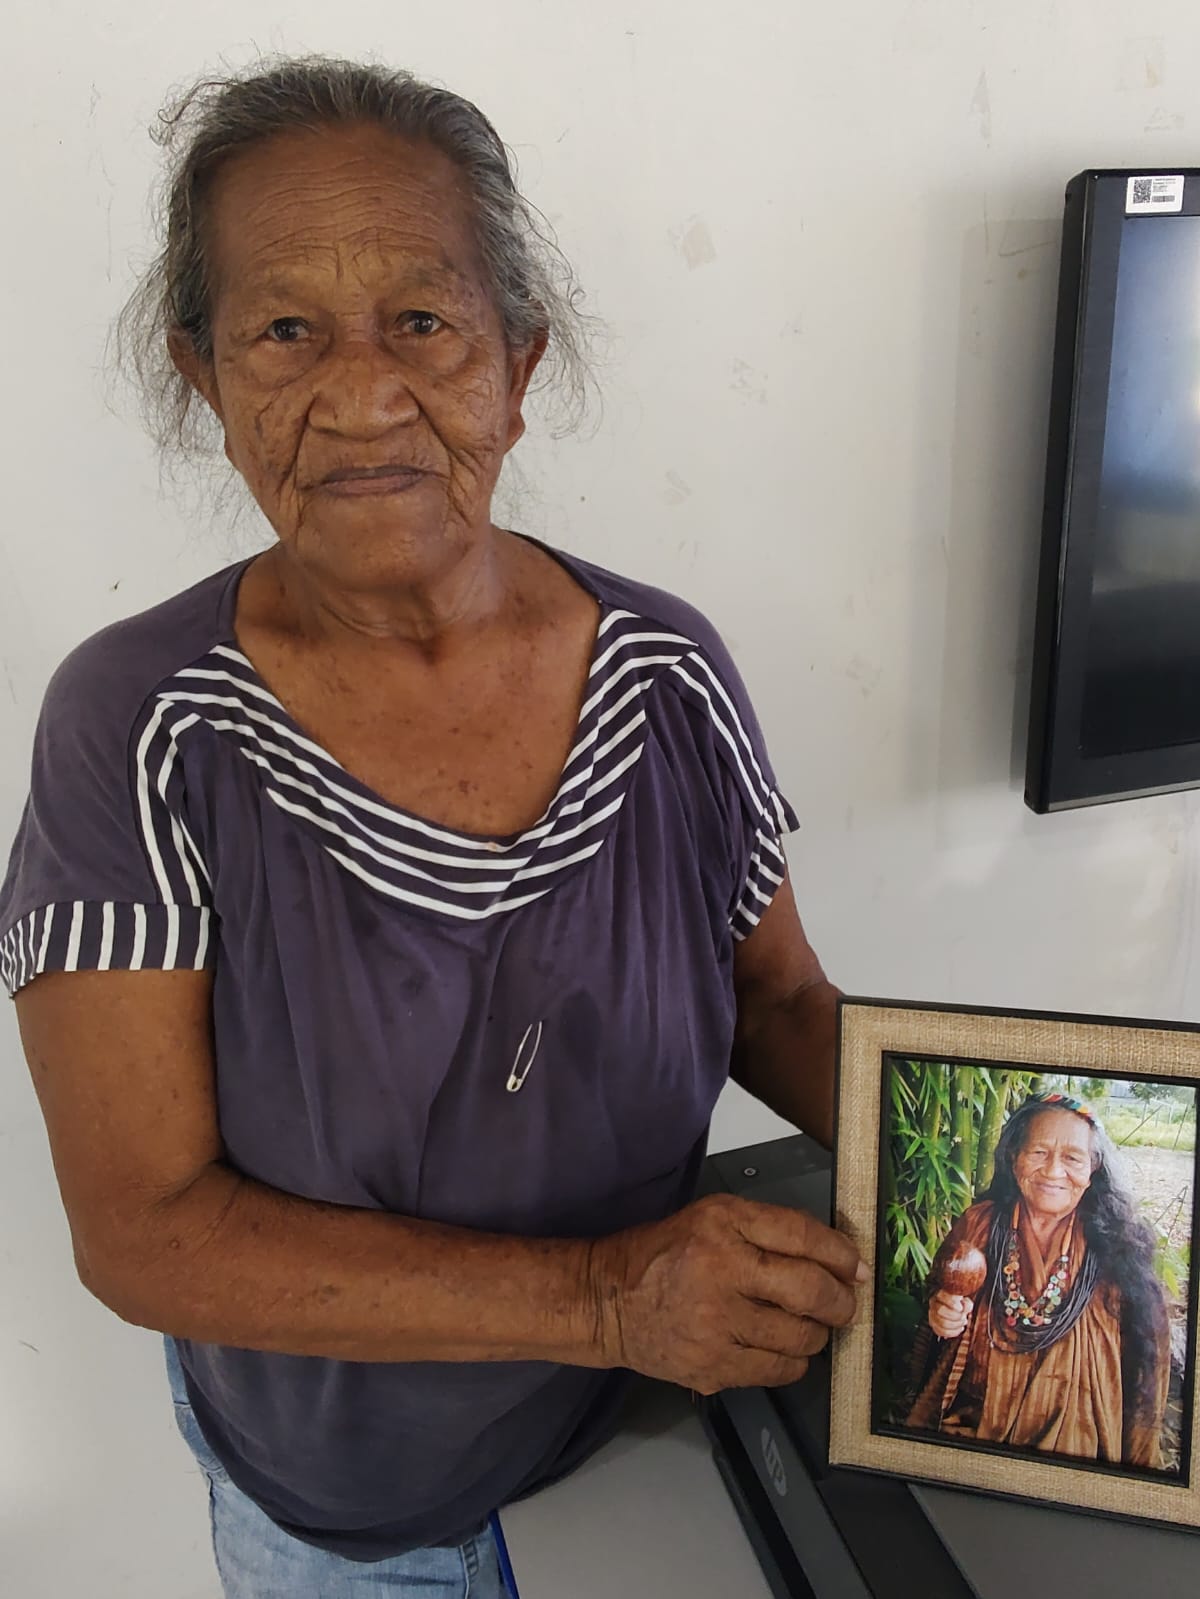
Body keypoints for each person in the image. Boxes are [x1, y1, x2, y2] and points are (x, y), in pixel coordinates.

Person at [0, 56, 866, 1599]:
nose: (361, 396)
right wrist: (608, 1297)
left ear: (517, 364)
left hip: (650, 1436)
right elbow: (144, 1232)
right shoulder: (142, 724)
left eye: (421, 320)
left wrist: (1025, 1152)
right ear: (204, 376)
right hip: (356, 1521)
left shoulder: (663, 670)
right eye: (285, 331)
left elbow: (780, 999)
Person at [907, 1090, 1171, 1469]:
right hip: (970, 1434)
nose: (1052, 1171)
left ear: (1093, 1169)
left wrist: (1138, 1469)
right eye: (1038, 1152)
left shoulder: (1118, 1250)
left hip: (1074, 1454)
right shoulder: (979, 1224)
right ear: (1014, 1157)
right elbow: (939, 1297)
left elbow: (1147, 1372)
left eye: (1072, 1158)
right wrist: (941, 1316)